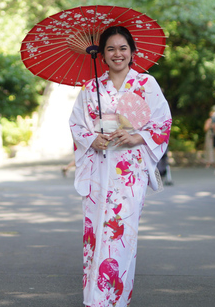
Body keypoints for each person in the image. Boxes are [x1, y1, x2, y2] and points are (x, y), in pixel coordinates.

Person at [69, 26, 172, 307]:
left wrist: (137, 137)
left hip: (129, 172)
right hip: (99, 169)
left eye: (123, 48)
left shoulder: (146, 84)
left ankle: (116, 298)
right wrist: (92, 139)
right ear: (102, 55)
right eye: (111, 49)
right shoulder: (91, 89)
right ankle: (94, 299)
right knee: (95, 233)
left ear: (132, 52)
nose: (118, 54)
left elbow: (163, 122)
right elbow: (76, 125)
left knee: (122, 233)